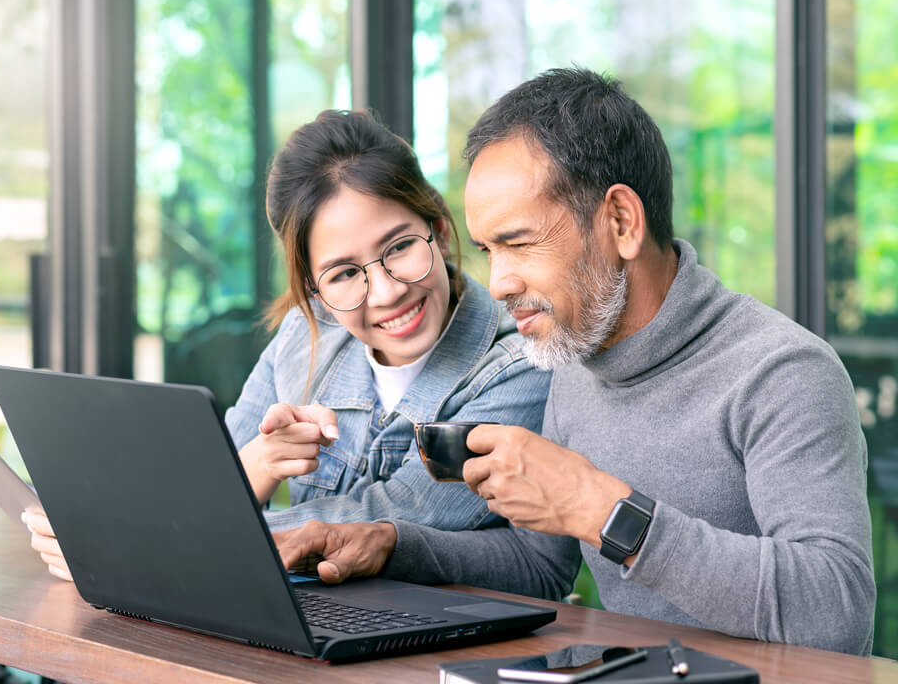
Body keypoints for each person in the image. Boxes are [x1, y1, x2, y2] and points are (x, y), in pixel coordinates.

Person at [272, 69, 876, 656]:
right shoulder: (574, 364)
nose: (499, 283)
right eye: (487, 250)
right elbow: (539, 566)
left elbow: (835, 614)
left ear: (620, 221)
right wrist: (391, 542)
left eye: (518, 242)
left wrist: (602, 509)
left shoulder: (783, 372)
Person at [23, 109, 552, 580]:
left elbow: (402, 508)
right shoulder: (308, 332)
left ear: (437, 229)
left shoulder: (519, 364)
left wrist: (144, 541)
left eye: (400, 248)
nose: (387, 292)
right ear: (314, 288)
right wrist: (255, 466)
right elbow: (213, 472)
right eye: (344, 274)